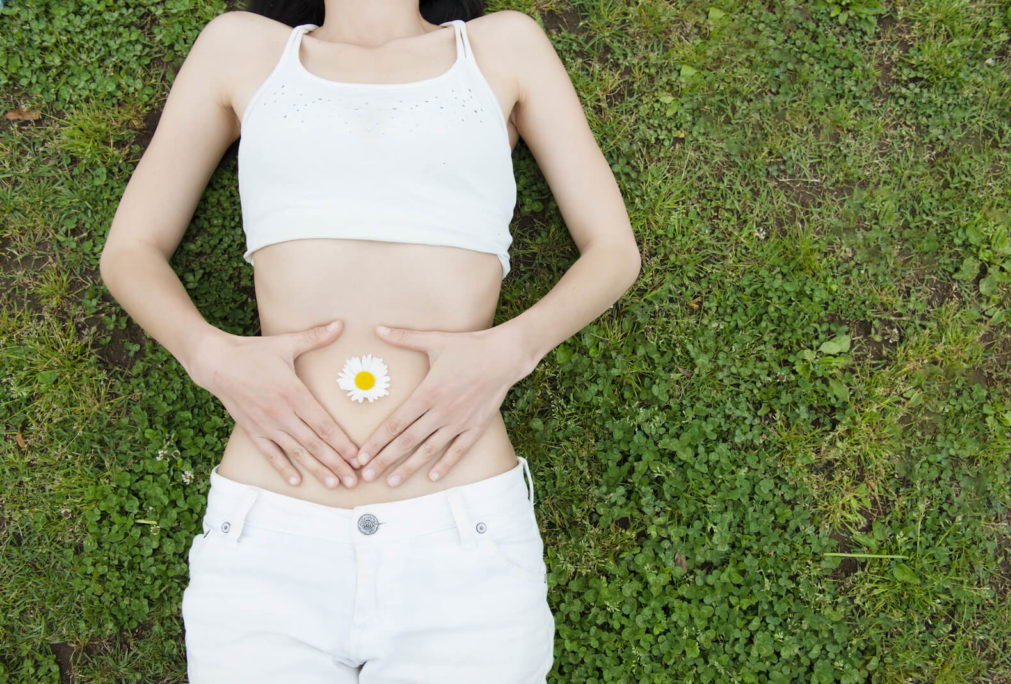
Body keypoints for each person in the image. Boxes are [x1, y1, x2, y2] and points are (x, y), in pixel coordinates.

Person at [99, 0, 640, 681]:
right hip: (271, 539)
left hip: (460, 541)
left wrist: (513, 349)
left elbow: (614, 250)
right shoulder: (241, 50)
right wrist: (210, 357)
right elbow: (130, 251)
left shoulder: (503, 48)